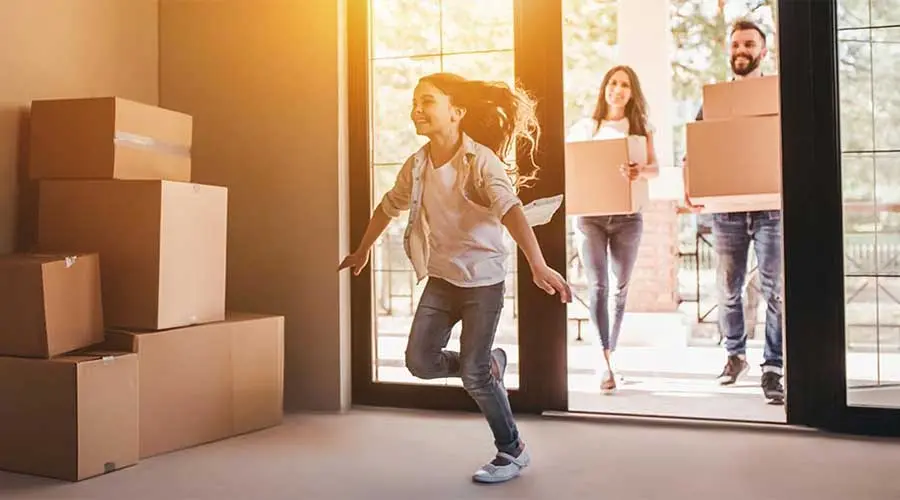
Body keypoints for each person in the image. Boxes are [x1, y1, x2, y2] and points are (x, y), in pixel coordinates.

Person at [339, 72, 572, 483]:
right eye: (415, 101)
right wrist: (362, 250)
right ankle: (485, 366)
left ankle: (512, 450)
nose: (417, 109)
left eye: (427, 101)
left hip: (483, 281)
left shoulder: (480, 160)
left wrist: (537, 263)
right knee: (419, 362)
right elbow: (387, 206)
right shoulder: (417, 165)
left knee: (474, 375)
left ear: (457, 112)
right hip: (443, 279)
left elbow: (511, 210)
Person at [684, 19, 784, 404]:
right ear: (729, 51)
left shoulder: (776, 96)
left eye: (749, 44)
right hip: (726, 210)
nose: (741, 50)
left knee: (776, 291)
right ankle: (734, 355)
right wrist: (690, 188)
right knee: (728, 289)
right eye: (736, 44)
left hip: (770, 208)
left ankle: (773, 366)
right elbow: (695, 149)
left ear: (762, 51)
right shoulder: (714, 100)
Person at [567, 65, 660, 393]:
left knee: (620, 289)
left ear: (632, 92)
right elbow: (572, 165)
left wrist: (640, 171)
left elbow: (655, 169)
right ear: (604, 87)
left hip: (627, 218)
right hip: (590, 217)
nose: (618, 89)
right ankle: (603, 360)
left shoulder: (640, 129)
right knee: (598, 287)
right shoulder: (585, 128)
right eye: (613, 83)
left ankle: (610, 354)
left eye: (625, 85)